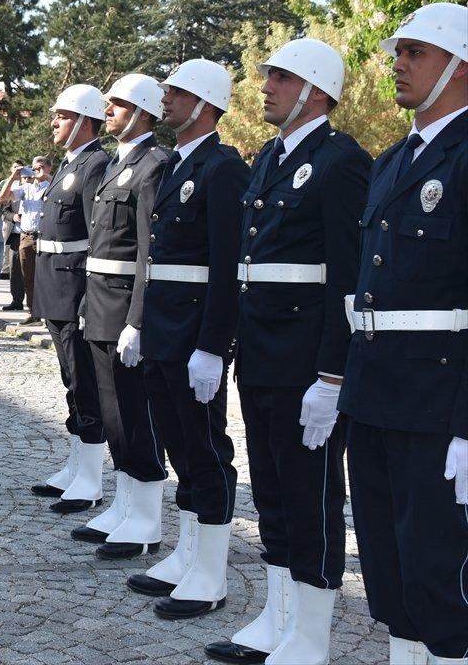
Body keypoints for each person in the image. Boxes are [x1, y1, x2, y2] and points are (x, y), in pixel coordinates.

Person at [202, 41, 370, 665]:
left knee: (311, 495)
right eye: (268, 75)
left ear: (317, 90)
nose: (266, 86)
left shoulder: (340, 161)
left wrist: (332, 374)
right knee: (271, 490)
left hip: (306, 361)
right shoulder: (271, 157)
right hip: (263, 353)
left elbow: (349, 277)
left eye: (281, 77)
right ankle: (278, 617)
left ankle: (311, 633)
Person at [339, 2, 468, 665]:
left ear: (459, 65)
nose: (398, 63)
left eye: (416, 52)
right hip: (377, 391)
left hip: (438, 401)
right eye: (399, 51)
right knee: (389, 574)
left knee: (441, 581)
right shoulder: (392, 160)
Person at [137, 59, 250, 621]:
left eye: (176, 91)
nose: (165, 98)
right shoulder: (178, 164)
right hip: (164, 329)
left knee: (205, 451)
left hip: (193, 335)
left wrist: (213, 346)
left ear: (204, 103)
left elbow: (229, 267)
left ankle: (210, 572)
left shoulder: (222, 169)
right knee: (179, 445)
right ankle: (187, 553)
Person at [73, 74, 170, 559]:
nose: (108, 110)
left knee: (135, 415)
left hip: (125, 307)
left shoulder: (154, 165)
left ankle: (147, 518)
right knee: (113, 414)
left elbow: (149, 251)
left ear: (145, 110)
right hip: (99, 303)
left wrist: (138, 320)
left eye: (118, 104)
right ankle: (125, 503)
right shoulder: (117, 163)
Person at [27, 86, 111, 512]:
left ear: (84, 120)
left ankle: (91, 478)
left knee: (85, 382)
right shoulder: (70, 164)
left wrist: (88, 300)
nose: (54, 122)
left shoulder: (96, 164)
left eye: (61, 116)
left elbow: (98, 236)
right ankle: (76, 465)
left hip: (75, 286)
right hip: (55, 284)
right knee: (70, 381)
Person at [0, 157, 52, 324]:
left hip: (45, 236)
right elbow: (3, 197)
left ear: (49, 168)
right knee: (28, 276)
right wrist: (13, 177)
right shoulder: (26, 187)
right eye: (34, 168)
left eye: (40, 167)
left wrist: (46, 176)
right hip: (26, 236)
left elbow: (59, 185)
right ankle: (33, 313)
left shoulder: (52, 184)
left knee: (47, 277)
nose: (36, 171)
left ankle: (50, 314)